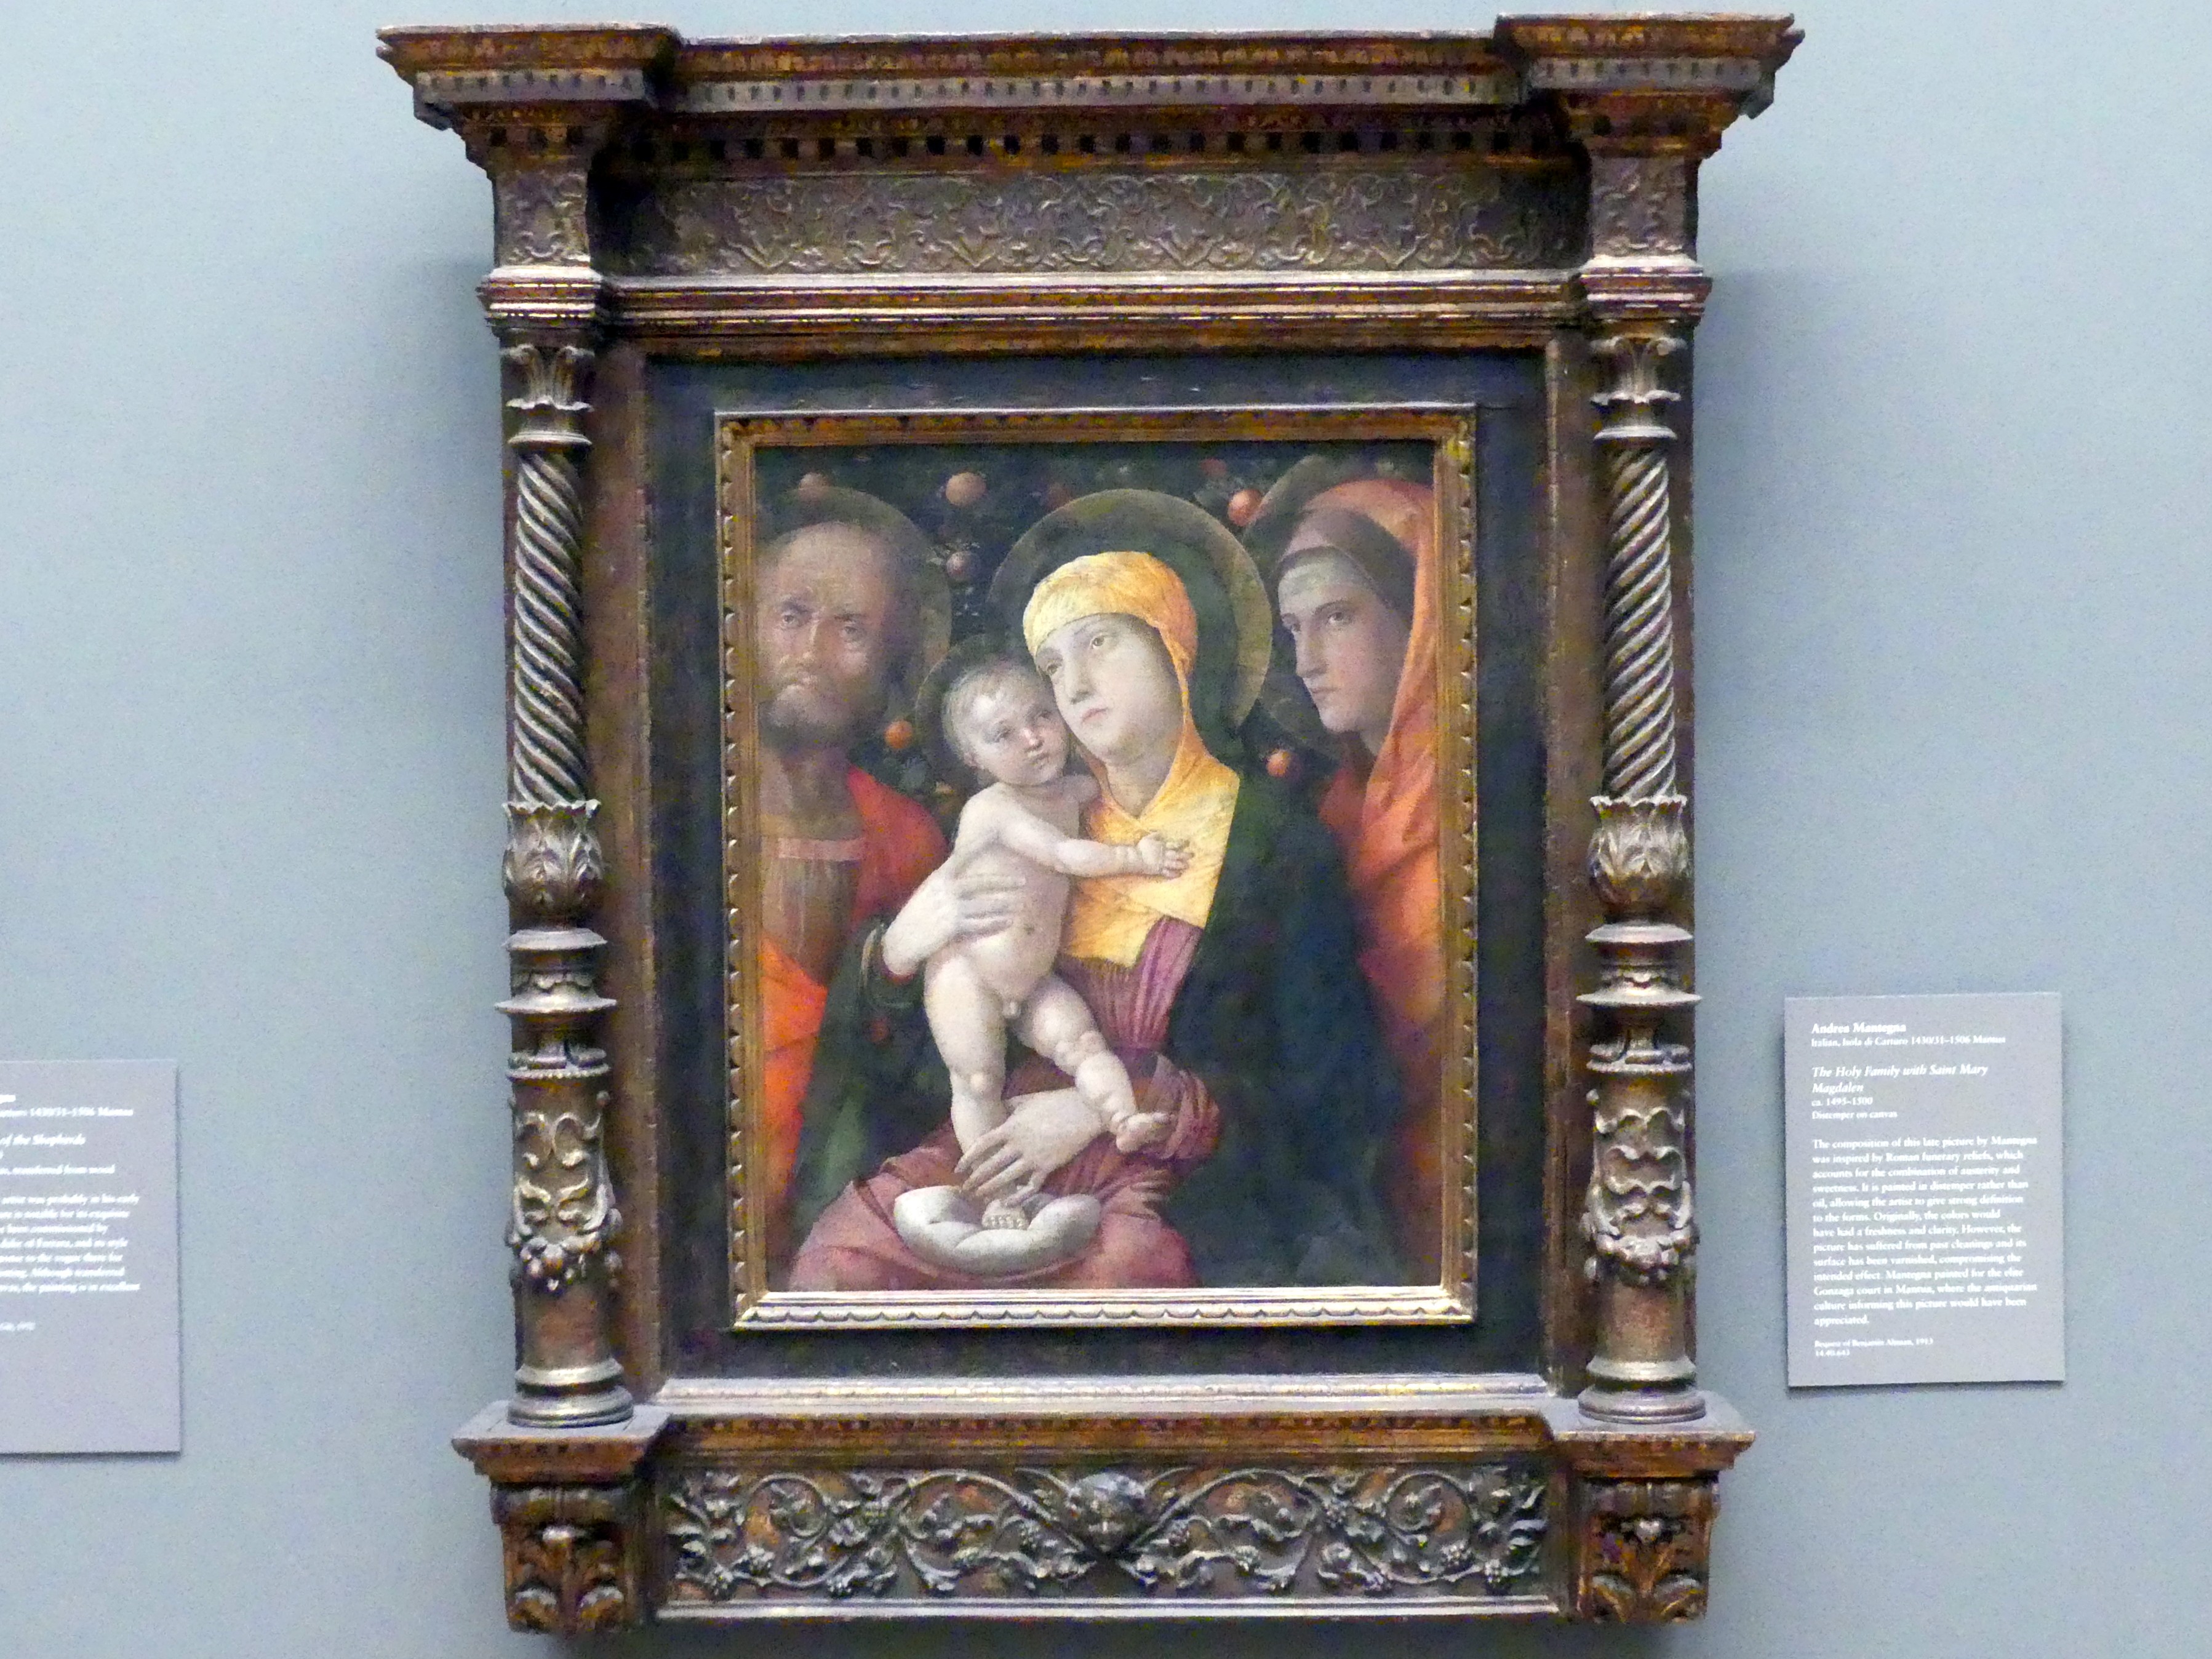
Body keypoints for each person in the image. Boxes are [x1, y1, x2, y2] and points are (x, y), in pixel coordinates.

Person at [788, 527, 1403, 1292]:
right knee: (837, 1265)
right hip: (997, 1154)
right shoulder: (1023, 821)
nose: (1075, 685)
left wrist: (1108, 1105)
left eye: (1100, 642)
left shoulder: (1277, 847)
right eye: (1052, 665)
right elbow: (927, 1061)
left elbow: (1332, 1086)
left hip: (1177, 1176)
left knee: (1121, 1277)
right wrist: (893, 959)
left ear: (1172, 646)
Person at [899, 654, 1180, 1242]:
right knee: (978, 1081)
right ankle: (997, 1195)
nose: (1032, 739)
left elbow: (1115, 783)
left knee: (1083, 1044)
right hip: (967, 975)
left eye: (1041, 717)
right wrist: (1136, 858)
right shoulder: (994, 808)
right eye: (1003, 734)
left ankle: (1122, 1117)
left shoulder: (1072, 789)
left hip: (1031, 981)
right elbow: (1063, 856)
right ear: (974, 758)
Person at [750, 486, 956, 1269]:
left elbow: (925, 1072)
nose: (811, 650)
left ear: (891, 663)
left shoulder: (907, 839)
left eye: (850, 628)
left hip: (841, 1210)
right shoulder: (684, 811)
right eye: (791, 615)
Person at [1254, 473, 1445, 1278]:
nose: (1306, 661)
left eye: (1337, 617)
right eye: (1293, 628)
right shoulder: (1330, 814)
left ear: (1422, 614)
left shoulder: (1480, 804)